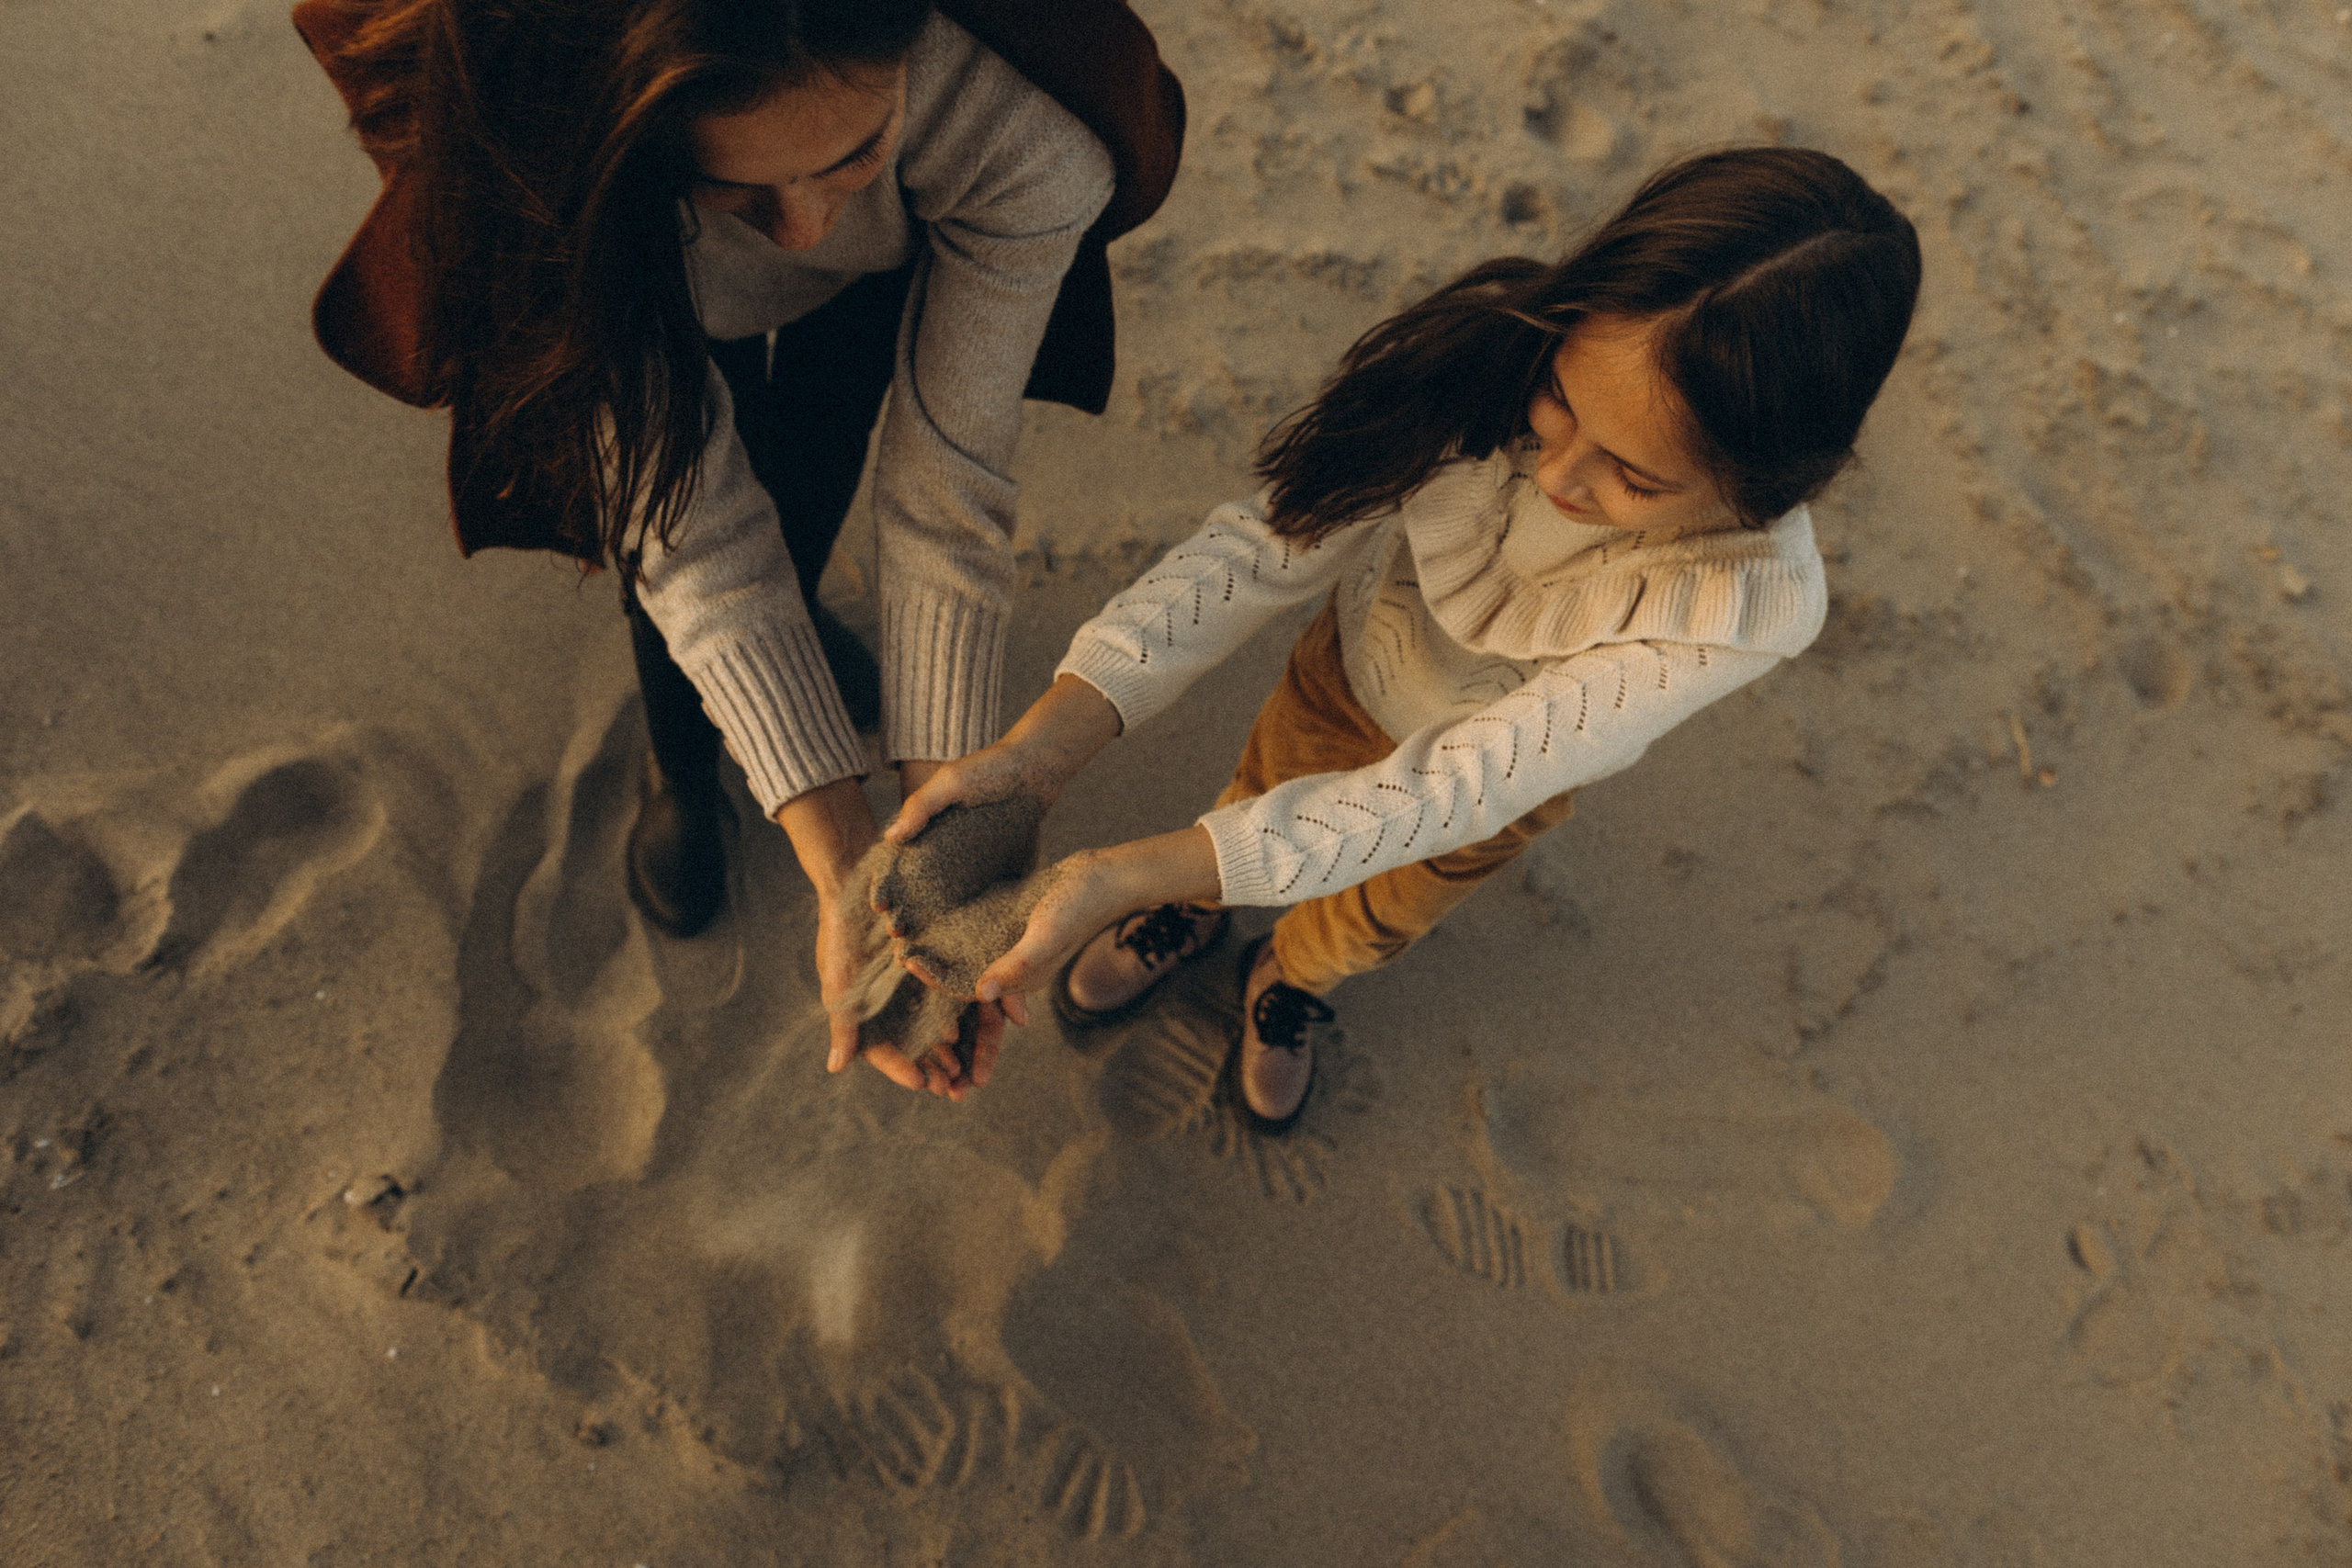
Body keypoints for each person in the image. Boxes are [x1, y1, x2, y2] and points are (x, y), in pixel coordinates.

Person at [882, 147, 1923, 1130]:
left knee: (1369, 915)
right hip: (1349, 669)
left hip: (1490, 784)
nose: (1558, 475)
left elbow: (1452, 791)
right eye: (1559, 403)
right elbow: (1270, 545)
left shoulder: (1750, 608)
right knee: (1256, 795)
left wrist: (1112, 875)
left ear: (1762, 487)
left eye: (1635, 478)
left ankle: (1288, 977)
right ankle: (1191, 905)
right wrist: (1044, 750)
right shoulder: (1490, 352)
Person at [289, 0, 1182, 1098]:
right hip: (627, 249)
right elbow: (690, 531)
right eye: (736, 184)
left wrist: (940, 853)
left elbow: (947, 486)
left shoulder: (1026, 130)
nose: (799, 228)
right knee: (668, 543)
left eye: (852, 149)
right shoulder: (536, 165)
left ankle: (791, 639)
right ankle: (680, 769)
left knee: (807, 489)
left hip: (887, 263)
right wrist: (835, 849)